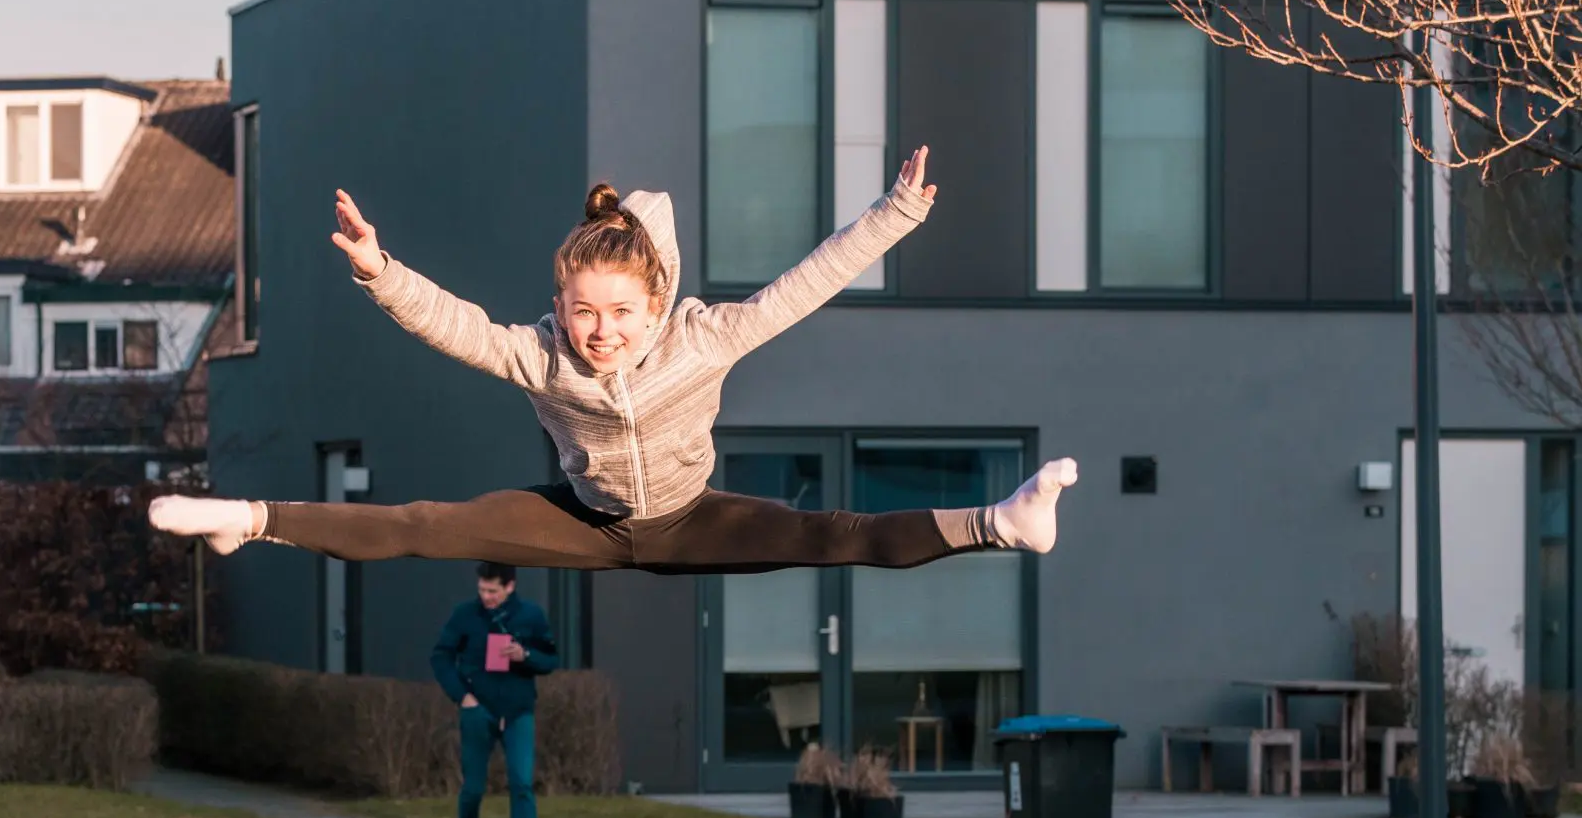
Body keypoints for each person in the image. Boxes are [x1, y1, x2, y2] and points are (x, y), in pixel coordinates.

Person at [149, 145, 1080, 571]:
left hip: (688, 519)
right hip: (585, 524)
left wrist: (894, 215)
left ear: (657, 304)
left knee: (834, 536)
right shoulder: (545, 357)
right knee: (426, 524)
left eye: (621, 314)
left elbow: (805, 283)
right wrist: (380, 269)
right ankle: (252, 517)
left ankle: (1002, 522)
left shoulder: (703, 338)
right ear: (559, 307)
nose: (602, 332)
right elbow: (456, 323)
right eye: (583, 312)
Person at [430, 562, 556, 818]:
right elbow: (441, 656)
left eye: (493, 591)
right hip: (478, 709)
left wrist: (525, 656)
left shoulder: (531, 615)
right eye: (482, 590)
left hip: (518, 712)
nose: (486, 596)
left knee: (522, 783)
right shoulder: (465, 615)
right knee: (473, 787)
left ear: (509, 587)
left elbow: (551, 659)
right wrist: (463, 697)